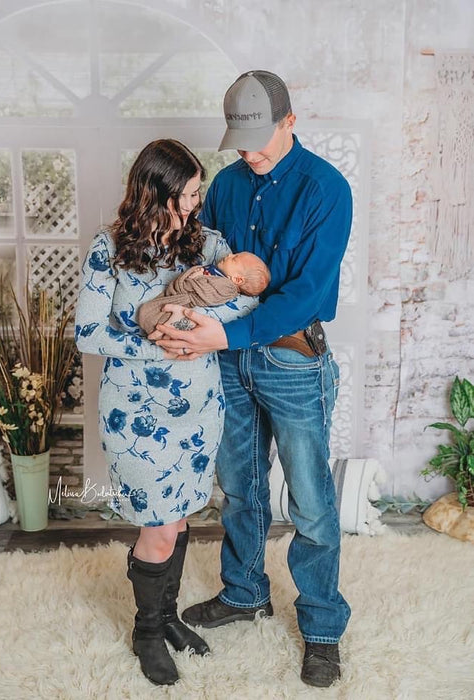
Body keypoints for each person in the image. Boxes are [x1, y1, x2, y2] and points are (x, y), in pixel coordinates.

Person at [154, 70, 352, 688]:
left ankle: (322, 627)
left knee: (311, 502)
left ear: (290, 121)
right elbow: (206, 263)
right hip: (226, 362)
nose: (248, 153)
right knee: (239, 487)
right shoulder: (226, 185)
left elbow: (306, 294)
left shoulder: (327, 189)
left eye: (259, 139)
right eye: (239, 142)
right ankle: (244, 592)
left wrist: (224, 336)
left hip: (292, 361)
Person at [75, 139, 259, 687]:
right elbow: (88, 332)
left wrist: (201, 326)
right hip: (135, 414)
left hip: (198, 409)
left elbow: (247, 297)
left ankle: (167, 616)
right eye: (189, 194)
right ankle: (147, 632)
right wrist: (162, 344)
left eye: (199, 192)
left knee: (177, 519)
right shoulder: (109, 248)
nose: (196, 203)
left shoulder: (208, 243)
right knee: (158, 526)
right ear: (154, 193)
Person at [138, 251, 270, 337]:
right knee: (154, 311)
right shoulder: (218, 274)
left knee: (153, 314)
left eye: (234, 259)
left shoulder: (227, 287)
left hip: (187, 301)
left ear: (238, 280)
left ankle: (160, 331)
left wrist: (196, 278)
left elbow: (205, 294)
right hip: (183, 297)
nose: (229, 255)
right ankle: (160, 331)